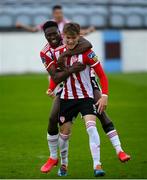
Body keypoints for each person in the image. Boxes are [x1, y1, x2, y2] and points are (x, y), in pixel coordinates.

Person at [53, 22, 109, 177]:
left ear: (79, 37)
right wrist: (52, 88)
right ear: (63, 36)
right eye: (67, 38)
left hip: (85, 97)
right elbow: (55, 74)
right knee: (64, 135)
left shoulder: (88, 53)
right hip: (67, 98)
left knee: (91, 127)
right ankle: (64, 164)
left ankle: (97, 164)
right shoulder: (59, 53)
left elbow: (102, 75)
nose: (70, 41)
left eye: (73, 38)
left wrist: (104, 95)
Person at [39, 21, 93, 173]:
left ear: (59, 32)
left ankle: (115, 151)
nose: (52, 37)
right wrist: (72, 69)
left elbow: (87, 44)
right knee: (52, 119)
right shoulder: (45, 53)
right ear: (45, 36)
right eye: (48, 35)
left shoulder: (68, 39)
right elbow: (55, 77)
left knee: (102, 115)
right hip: (64, 87)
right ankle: (53, 157)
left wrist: (65, 55)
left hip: (84, 84)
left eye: (54, 33)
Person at [16, 5, 95, 35]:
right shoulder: (49, 24)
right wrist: (22, 25)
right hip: (54, 51)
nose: (59, 15)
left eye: (60, 13)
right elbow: (34, 30)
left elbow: (80, 33)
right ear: (53, 14)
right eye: (57, 13)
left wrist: (90, 30)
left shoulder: (68, 23)